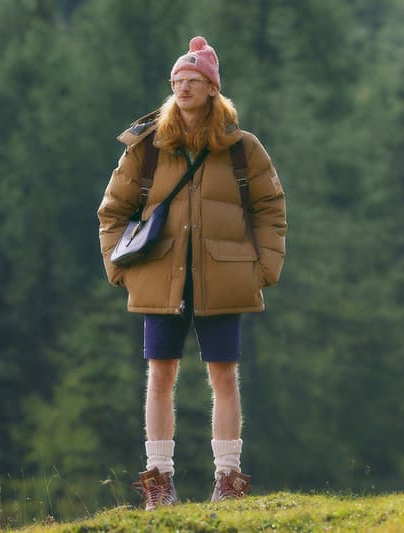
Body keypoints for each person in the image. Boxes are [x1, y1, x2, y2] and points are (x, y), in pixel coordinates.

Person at [97, 36, 286, 510]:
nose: (182, 87)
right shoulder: (146, 148)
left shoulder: (244, 149)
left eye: (192, 80)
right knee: (159, 375)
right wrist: (120, 271)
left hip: (224, 280)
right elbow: (112, 211)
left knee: (224, 376)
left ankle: (228, 479)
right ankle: (158, 481)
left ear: (212, 89)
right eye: (177, 80)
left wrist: (264, 268)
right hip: (158, 279)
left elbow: (270, 208)